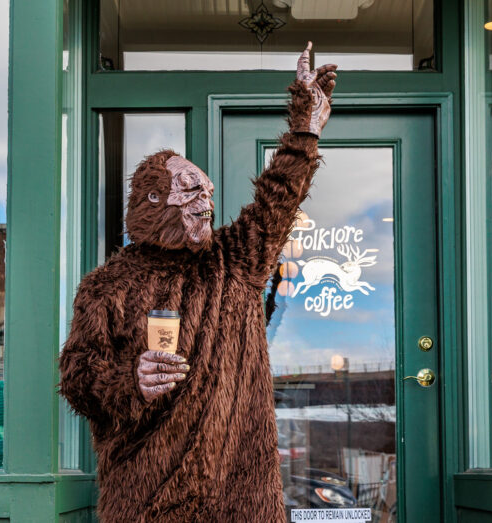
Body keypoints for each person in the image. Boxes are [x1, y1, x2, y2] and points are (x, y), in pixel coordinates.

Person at [59, 43, 336, 522]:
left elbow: (278, 197)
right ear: (154, 199)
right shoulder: (108, 285)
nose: (206, 198)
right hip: (149, 498)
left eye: (207, 190)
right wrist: (131, 380)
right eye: (190, 189)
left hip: (240, 497)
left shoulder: (235, 259)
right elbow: (78, 378)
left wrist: (304, 129)